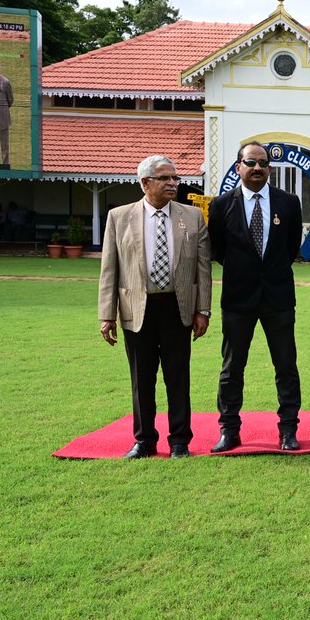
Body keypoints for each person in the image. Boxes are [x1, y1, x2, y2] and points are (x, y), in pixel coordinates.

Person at [98, 155, 212, 458]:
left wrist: (203, 310)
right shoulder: (119, 217)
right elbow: (110, 268)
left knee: (178, 378)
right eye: (165, 178)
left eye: (175, 178)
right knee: (141, 380)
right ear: (145, 182)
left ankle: (179, 442)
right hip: (137, 310)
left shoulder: (192, 216)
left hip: (178, 308)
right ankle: (144, 440)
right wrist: (107, 315)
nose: (173, 183)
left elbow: (203, 269)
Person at [207, 142, 303, 452]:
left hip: (278, 297)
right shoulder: (221, 205)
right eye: (251, 162)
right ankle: (229, 430)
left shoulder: (289, 203)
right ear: (239, 167)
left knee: (286, 365)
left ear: (270, 169)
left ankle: (288, 430)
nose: (257, 168)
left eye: (263, 163)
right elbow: (218, 250)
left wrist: (267, 271)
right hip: (238, 298)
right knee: (232, 367)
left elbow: (290, 249)